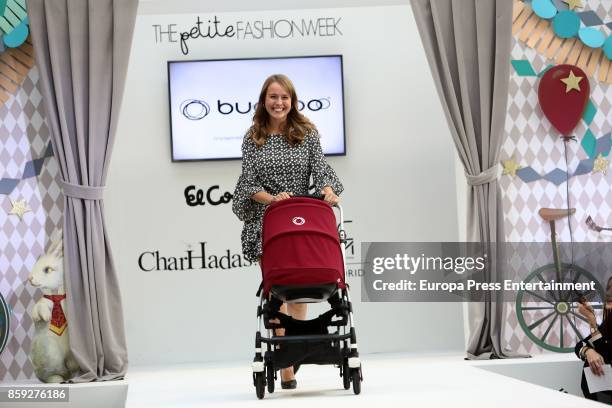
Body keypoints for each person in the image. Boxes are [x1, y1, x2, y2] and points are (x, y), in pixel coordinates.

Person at [232, 74, 343, 389]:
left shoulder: (306, 133)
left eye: (284, 97)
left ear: (292, 101)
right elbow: (248, 182)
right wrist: (273, 199)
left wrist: (327, 189)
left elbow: (320, 168)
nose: (278, 103)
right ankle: (286, 360)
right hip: (268, 220)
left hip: (302, 216)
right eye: (273, 97)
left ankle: (291, 352)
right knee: (279, 288)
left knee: (302, 285)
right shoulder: (253, 137)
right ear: (263, 100)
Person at [575, 277, 612, 404]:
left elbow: (605, 352)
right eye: (608, 288)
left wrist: (591, 320)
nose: (608, 293)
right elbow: (580, 345)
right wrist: (588, 352)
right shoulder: (609, 323)